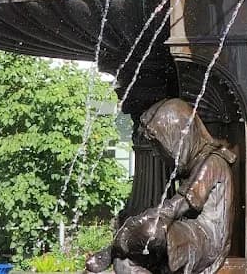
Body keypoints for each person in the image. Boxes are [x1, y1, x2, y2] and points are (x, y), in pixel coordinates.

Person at [86, 99, 236, 274]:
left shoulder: (213, 163)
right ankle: (115, 252)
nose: (158, 153)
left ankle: (111, 251)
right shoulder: (198, 162)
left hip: (206, 239)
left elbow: (177, 207)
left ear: (179, 137)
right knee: (123, 263)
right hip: (187, 231)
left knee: (151, 229)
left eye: (161, 146)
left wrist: (133, 225)